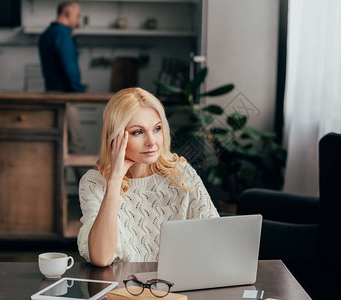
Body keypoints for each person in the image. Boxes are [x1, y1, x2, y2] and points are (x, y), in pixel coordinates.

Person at [77, 88, 219, 267]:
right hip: (125, 289)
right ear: (116, 137)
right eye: (138, 132)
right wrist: (114, 181)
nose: (152, 141)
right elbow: (101, 258)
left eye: (157, 129)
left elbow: (215, 240)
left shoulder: (181, 173)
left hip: (178, 287)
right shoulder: (93, 183)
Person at [38, 0, 85, 154]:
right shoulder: (63, 34)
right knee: (76, 144)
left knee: (58, 146)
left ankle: (60, 180)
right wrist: (78, 90)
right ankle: (89, 180)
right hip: (65, 97)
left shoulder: (47, 34)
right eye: (77, 16)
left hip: (50, 93)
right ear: (68, 13)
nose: (78, 22)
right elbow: (68, 66)